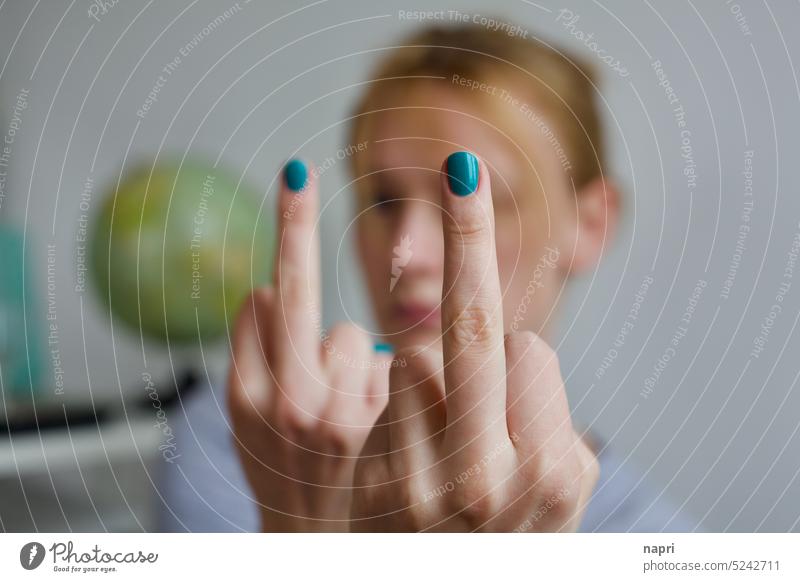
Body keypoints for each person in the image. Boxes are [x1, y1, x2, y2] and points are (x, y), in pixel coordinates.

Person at [158, 24, 695, 532]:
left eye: (469, 195)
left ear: (591, 224)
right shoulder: (247, 438)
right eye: (384, 200)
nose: (405, 253)